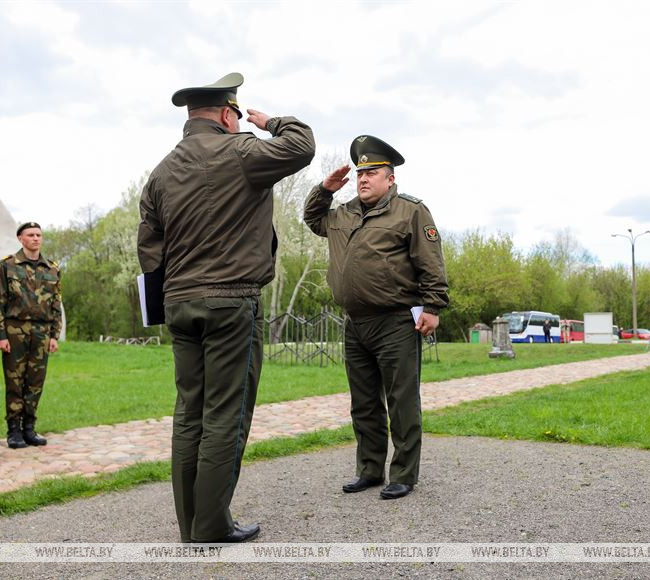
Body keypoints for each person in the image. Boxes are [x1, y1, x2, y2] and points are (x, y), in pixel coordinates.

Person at [137, 72, 314, 543]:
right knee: (225, 415)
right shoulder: (241, 152)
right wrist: (272, 120)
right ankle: (212, 526)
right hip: (232, 302)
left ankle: (190, 524)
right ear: (226, 113)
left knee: (189, 412)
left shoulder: (160, 172)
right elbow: (302, 145)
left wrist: (164, 306)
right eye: (237, 114)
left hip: (179, 304)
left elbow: (149, 250)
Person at [304, 135, 449, 500]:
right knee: (364, 402)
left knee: (402, 400)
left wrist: (432, 307)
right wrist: (324, 189)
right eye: (359, 173)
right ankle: (369, 469)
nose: (363, 179)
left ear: (391, 178)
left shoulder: (410, 211)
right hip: (356, 323)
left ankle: (403, 473)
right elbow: (312, 218)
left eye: (372, 172)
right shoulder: (343, 214)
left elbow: (430, 263)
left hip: (396, 320)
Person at [0, 222, 62, 449]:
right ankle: (13, 430)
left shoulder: (52, 268)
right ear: (20, 238)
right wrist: (1, 335)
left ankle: (29, 428)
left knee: (35, 382)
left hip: (42, 332)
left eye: (39, 235)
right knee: (15, 381)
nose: (36, 238)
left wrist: (54, 335)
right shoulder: (8, 266)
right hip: (15, 330)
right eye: (30, 235)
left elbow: (55, 304)